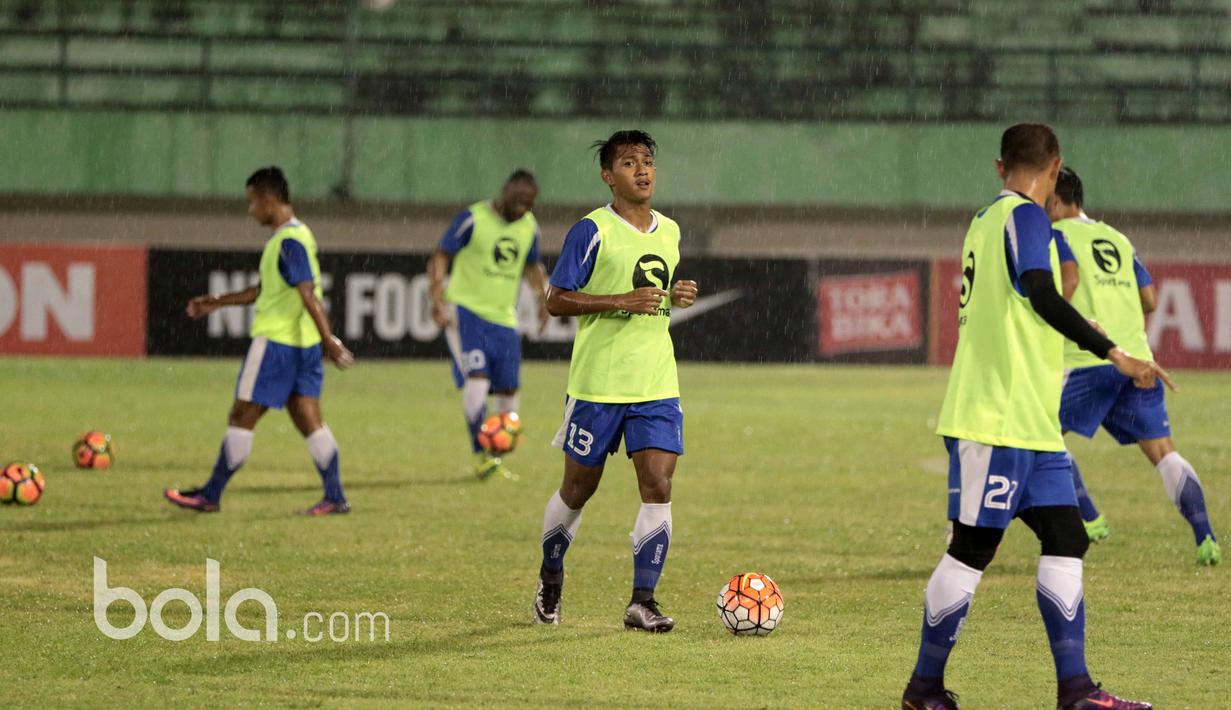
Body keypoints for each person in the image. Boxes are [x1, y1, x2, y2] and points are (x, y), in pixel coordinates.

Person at [901, 125, 1168, 710]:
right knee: (972, 547)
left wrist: (1087, 331)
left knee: (1067, 536)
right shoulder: (1026, 218)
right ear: (1056, 166)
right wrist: (1111, 351)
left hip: (1030, 421)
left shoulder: (984, 220)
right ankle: (923, 688)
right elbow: (1041, 291)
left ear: (1001, 166)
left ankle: (1076, 689)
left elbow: (1026, 305)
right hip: (994, 418)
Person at [531, 130, 698, 632]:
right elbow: (556, 299)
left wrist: (675, 294)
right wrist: (619, 300)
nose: (642, 170)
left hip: (655, 383)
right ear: (609, 176)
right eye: (629, 163)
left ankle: (642, 601)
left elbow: (655, 294)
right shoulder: (592, 230)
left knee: (658, 485)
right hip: (598, 387)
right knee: (578, 490)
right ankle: (551, 577)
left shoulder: (669, 230)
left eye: (647, 161)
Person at [1048, 166, 1219, 565]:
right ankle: (1206, 537)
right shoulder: (1117, 238)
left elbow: (1066, 284)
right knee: (1164, 452)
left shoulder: (1055, 236)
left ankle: (1089, 517)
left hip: (1088, 359)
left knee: (1040, 435)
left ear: (1054, 199)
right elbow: (1150, 300)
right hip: (1140, 361)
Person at [164, 167, 354, 516]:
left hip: (278, 345)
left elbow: (307, 293)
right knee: (308, 418)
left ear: (268, 199)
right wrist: (217, 302)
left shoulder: (288, 242)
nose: (250, 210)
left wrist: (330, 338)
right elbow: (265, 291)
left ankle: (210, 495)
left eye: (252, 202)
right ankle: (335, 496)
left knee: (241, 415)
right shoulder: (298, 235)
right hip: (303, 346)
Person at [427, 170, 549, 480]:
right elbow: (441, 255)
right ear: (505, 191)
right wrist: (437, 297)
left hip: (504, 318)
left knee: (508, 393)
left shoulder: (528, 227)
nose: (522, 209)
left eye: (529, 204)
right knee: (478, 382)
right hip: (466, 312)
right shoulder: (473, 218)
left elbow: (532, 266)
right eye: (518, 201)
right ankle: (480, 454)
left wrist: (543, 300)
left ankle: (496, 455)